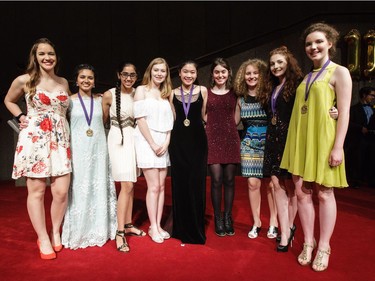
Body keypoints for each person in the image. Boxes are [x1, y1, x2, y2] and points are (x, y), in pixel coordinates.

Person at [280, 23, 352, 271]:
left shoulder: (340, 72)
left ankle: (324, 246)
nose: (313, 47)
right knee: (301, 192)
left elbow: (343, 113)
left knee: (324, 192)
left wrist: (338, 147)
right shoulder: (306, 77)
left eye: (319, 42)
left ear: (330, 43)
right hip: (300, 139)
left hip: (323, 140)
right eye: (309, 44)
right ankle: (308, 243)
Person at [4, 38, 71, 260]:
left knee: (61, 191)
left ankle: (55, 231)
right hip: (35, 139)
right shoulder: (25, 80)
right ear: (35, 57)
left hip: (61, 140)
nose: (47, 58)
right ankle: (42, 237)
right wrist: (21, 116)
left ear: (56, 56)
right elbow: (8, 100)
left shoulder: (63, 82)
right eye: (42, 54)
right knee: (37, 191)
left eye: (50, 53)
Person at [61, 64, 117, 250]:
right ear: (76, 80)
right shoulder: (68, 101)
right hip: (78, 150)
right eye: (82, 77)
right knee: (79, 188)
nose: (86, 81)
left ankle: (101, 229)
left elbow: (104, 122)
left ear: (94, 82)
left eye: (90, 78)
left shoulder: (101, 100)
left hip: (99, 150)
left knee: (98, 186)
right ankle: (80, 231)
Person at [259, 46, 303, 252]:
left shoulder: (297, 85)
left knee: (292, 187)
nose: (276, 66)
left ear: (288, 63)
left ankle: (290, 226)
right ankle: (284, 231)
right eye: (273, 63)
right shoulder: (271, 87)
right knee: (276, 185)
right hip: (272, 139)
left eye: (280, 62)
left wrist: (334, 110)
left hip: (290, 139)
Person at [233, 58, 279, 240]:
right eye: (248, 73)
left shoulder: (270, 95)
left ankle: (274, 222)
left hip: (269, 144)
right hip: (249, 144)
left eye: (255, 73)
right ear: (243, 76)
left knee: (272, 186)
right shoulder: (240, 99)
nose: (251, 76)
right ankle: (256, 222)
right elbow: (233, 123)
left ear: (262, 75)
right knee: (253, 184)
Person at [102, 62, 145, 253]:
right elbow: (102, 120)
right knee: (126, 185)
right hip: (117, 139)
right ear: (119, 75)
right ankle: (119, 232)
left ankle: (127, 224)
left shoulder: (138, 93)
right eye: (125, 74)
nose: (128, 78)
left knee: (132, 183)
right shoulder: (110, 94)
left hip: (134, 138)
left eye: (132, 75)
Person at [133, 57, 174, 243]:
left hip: (163, 141)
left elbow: (170, 122)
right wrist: (153, 144)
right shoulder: (142, 90)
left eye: (163, 71)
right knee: (154, 186)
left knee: (162, 186)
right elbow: (140, 119)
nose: (159, 74)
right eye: (156, 70)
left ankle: (156, 225)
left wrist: (166, 142)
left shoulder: (166, 93)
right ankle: (154, 227)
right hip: (146, 140)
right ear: (150, 71)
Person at [169, 60, 208, 244]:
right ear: (179, 72)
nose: (189, 75)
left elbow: (205, 117)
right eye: (185, 71)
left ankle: (196, 229)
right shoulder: (171, 94)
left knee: (196, 183)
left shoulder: (203, 91)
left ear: (196, 73)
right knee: (180, 184)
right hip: (178, 143)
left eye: (192, 72)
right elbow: (174, 119)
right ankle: (180, 228)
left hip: (198, 143)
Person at [205, 58, 240, 237]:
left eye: (223, 72)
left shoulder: (235, 92)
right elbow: (203, 114)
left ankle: (228, 217)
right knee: (216, 180)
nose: (220, 75)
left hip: (230, 139)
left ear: (228, 73)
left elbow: (237, 116)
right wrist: (210, 126)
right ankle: (218, 217)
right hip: (212, 140)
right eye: (217, 72)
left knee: (230, 180)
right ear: (212, 74)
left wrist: (228, 128)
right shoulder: (206, 93)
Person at [344, 86, 375, 188]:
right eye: (371, 95)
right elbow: (348, 123)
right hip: (358, 139)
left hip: (371, 139)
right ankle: (355, 180)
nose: (373, 97)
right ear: (364, 95)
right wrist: (360, 128)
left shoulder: (372, 108)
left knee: (370, 160)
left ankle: (370, 180)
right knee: (358, 160)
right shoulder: (353, 109)